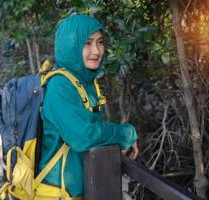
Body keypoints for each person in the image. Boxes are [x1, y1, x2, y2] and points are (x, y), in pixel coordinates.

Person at [38, 14, 139, 199]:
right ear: (71, 45)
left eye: (100, 42)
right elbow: (83, 136)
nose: (96, 51)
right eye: (87, 43)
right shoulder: (60, 85)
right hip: (56, 194)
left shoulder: (85, 81)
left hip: (81, 190)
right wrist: (125, 134)